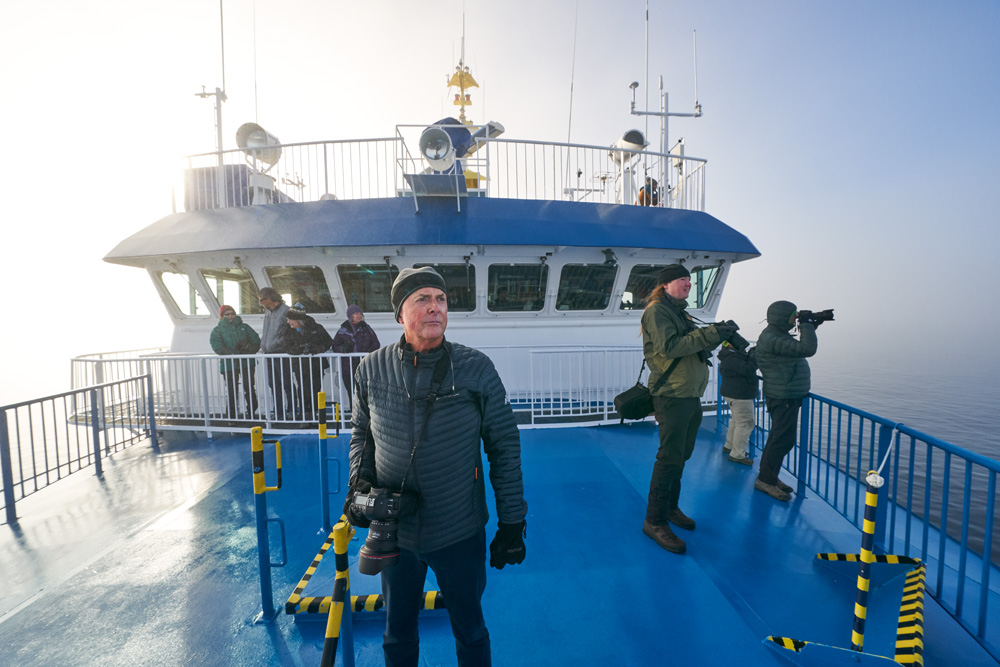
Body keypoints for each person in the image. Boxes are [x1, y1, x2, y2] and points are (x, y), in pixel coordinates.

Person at [345, 266, 527, 667]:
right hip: (396, 532)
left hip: (458, 529)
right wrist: (358, 488)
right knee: (397, 635)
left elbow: (504, 445)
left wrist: (512, 521)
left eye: (440, 299)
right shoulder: (371, 369)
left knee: (471, 630)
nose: (435, 308)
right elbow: (362, 433)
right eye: (422, 299)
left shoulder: (475, 368)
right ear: (400, 314)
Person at [640, 264, 736, 554]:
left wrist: (716, 335)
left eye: (689, 280)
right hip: (672, 396)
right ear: (666, 284)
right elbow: (669, 347)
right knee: (669, 458)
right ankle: (654, 521)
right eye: (682, 279)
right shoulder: (657, 311)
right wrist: (711, 333)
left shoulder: (678, 311)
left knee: (681, 456)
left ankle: (671, 508)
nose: (688, 284)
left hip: (688, 395)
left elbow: (689, 344)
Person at [753, 300, 819, 501]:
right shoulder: (772, 337)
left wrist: (811, 326)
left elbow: (796, 348)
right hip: (783, 397)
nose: (795, 318)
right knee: (782, 440)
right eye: (793, 315)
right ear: (782, 317)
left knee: (780, 438)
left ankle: (770, 477)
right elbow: (807, 349)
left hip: (786, 395)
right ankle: (766, 480)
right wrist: (806, 325)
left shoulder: (776, 335)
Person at [279, 307, 333, 421]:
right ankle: (305, 414)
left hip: (316, 365)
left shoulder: (316, 328)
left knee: (315, 389)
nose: (288, 322)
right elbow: (286, 347)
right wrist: (297, 350)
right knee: (303, 390)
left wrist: (319, 348)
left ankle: (314, 413)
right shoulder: (288, 331)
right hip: (300, 366)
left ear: (298, 319)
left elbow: (328, 341)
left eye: (290, 319)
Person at [209, 305, 260, 419]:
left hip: (247, 363)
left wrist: (247, 351)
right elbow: (217, 346)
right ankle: (232, 416)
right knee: (232, 390)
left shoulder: (245, 327)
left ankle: (252, 412)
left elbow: (256, 341)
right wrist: (232, 353)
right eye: (227, 314)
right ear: (222, 316)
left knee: (249, 388)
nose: (230, 316)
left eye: (232, 313)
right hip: (229, 364)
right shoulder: (217, 330)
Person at [718, 341, 758, 466]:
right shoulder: (732, 358)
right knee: (745, 423)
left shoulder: (729, 356)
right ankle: (738, 454)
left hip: (733, 393)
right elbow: (748, 369)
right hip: (740, 395)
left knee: (736, 421)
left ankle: (729, 446)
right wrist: (754, 357)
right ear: (730, 344)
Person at [331, 304, 381, 405]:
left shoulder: (366, 328)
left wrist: (366, 353)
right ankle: (353, 412)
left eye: (360, 313)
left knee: (364, 390)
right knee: (351, 390)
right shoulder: (342, 330)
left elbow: (376, 343)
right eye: (356, 313)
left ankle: (365, 414)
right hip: (347, 366)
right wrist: (344, 349)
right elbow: (335, 346)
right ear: (350, 315)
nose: (359, 316)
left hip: (364, 364)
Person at [258, 287, 293, 419]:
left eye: (261, 300)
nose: (260, 303)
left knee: (287, 382)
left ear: (269, 299)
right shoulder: (268, 312)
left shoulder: (286, 311)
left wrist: (277, 343)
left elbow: (290, 332)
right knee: (273, 384)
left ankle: (292, 410)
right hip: (268, 354)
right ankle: (278, 412)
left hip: (281, 353)